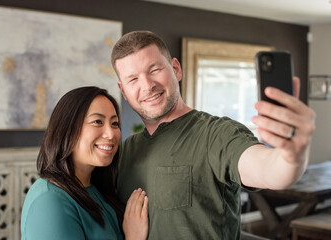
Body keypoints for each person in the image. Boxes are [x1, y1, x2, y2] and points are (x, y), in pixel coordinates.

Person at [111, 31, 315, 239]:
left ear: (176, 69)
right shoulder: (124, 151)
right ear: (123, 91)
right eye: (133, 79)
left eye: (154, 70)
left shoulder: (217, 134)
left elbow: (270, 169)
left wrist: (292, 156)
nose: (147, 85)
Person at [21, 86, 148, 240]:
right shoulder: (49, 202)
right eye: (97, 122)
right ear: (67, 129)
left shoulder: (98, 188)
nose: (111, 134)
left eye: (114, 123)